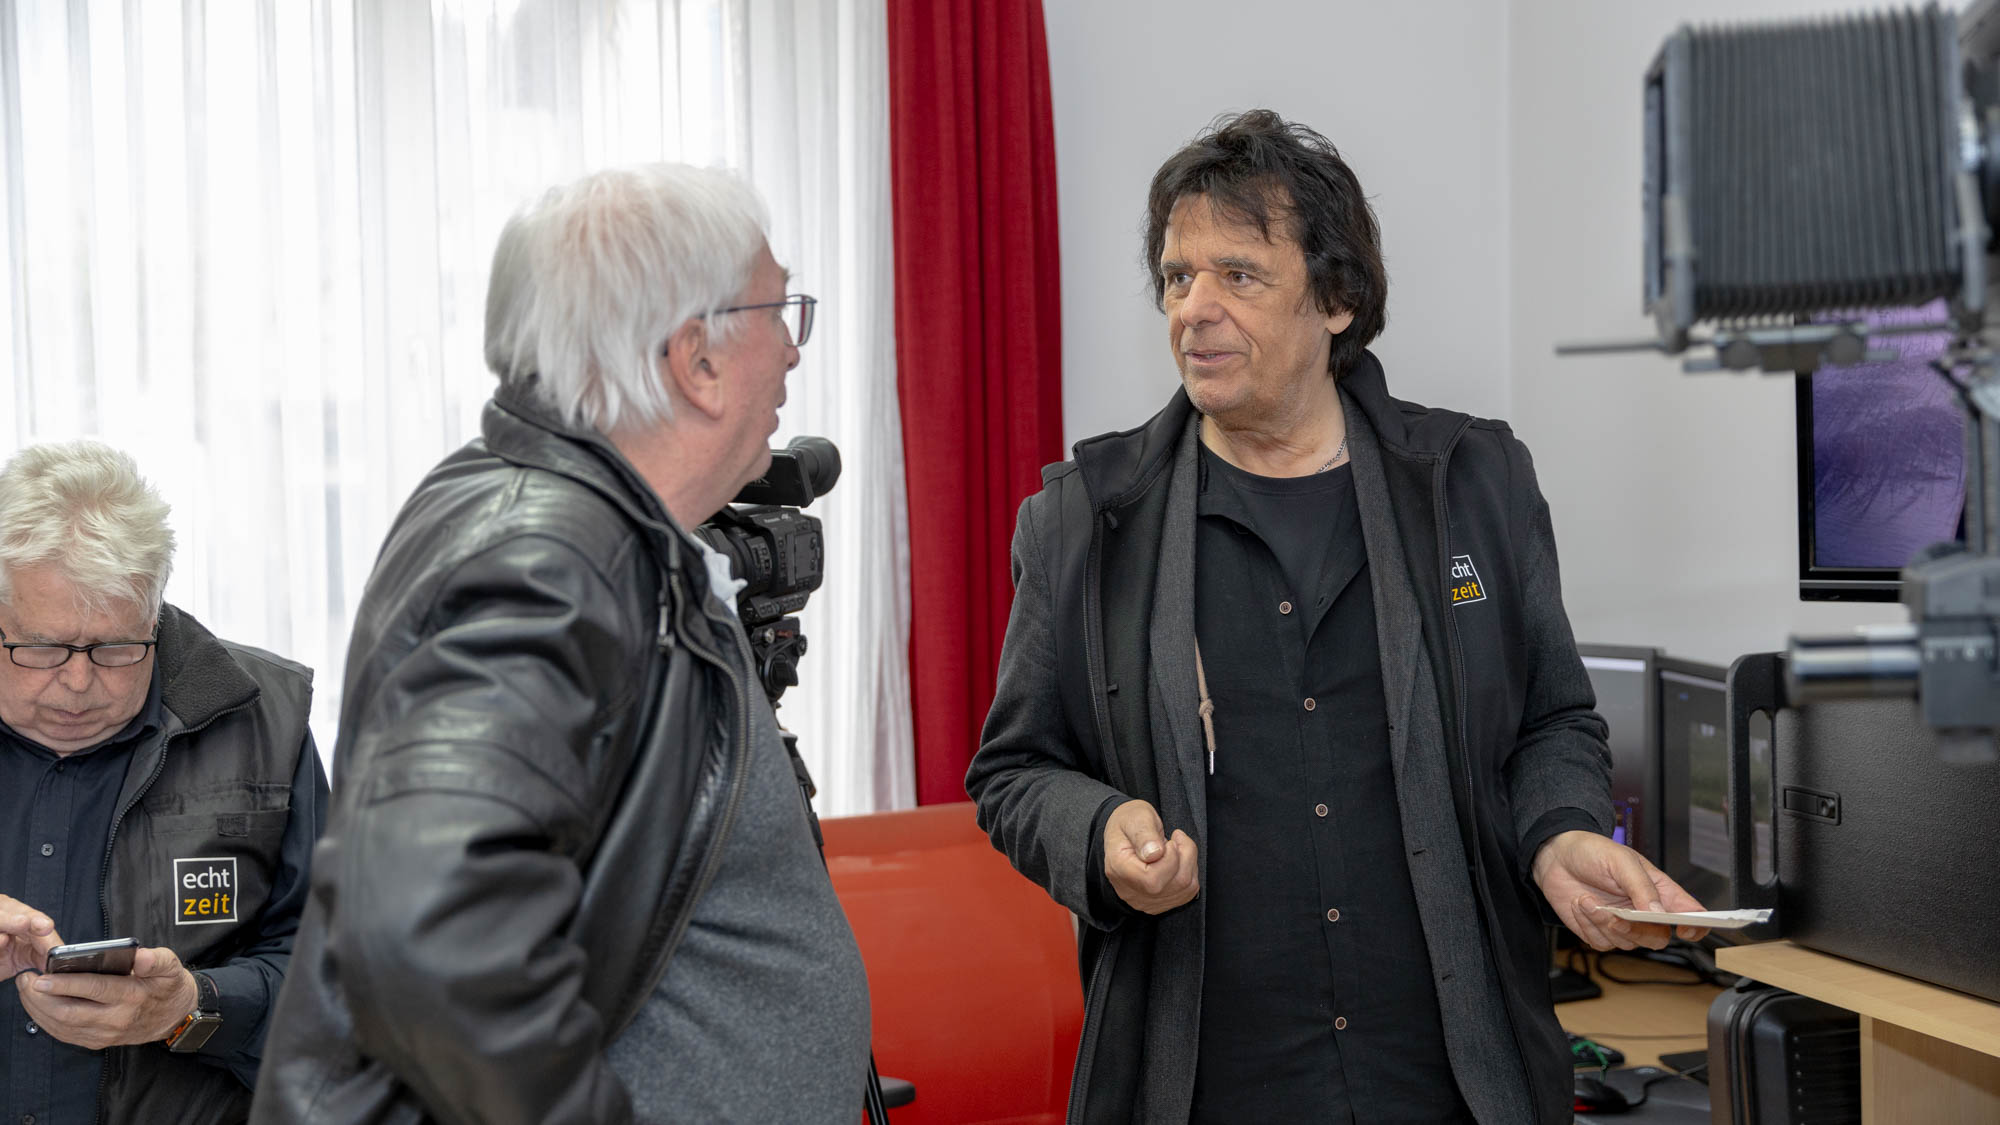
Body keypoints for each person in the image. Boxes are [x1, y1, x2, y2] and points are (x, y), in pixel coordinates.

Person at [965, 109, 1709, 1124]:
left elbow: (1552, 720)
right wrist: (1097, 831)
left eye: (1238, 274)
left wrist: (1556, 834)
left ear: (1337, 299)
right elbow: (1013, 771)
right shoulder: (1083, 521)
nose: (1194, 310)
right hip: (1204, 1086)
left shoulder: (1474, 483)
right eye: (1177, 278)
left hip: (1452, 1081)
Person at [252, 164, 870, 1125]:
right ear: (695, 359)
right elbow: (425, 938)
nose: (793, 351)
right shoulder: (545, 556)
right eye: (777, 310)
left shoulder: (605, 531)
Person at [0, 439, 328, 1124]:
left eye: (117, 646)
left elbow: (347, 977)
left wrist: (191, 1008)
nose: (79, 681)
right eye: (42, 647)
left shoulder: (265, 724)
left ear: (155, 615)